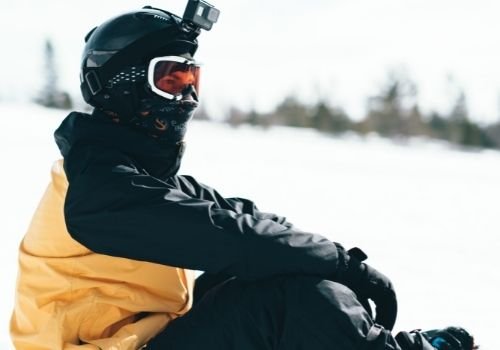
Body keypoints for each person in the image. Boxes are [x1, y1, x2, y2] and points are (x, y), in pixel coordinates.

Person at [10, 4, 477, 350]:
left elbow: (246, 219)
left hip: (142, 341)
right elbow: (231, 237)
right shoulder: (98, 190)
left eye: (192, 79)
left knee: (239, 283)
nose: (187, 95)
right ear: (121, 85)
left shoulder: (141, 180)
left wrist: (346, 264)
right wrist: (335, 266)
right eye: (170, 79)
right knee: (290, 300)